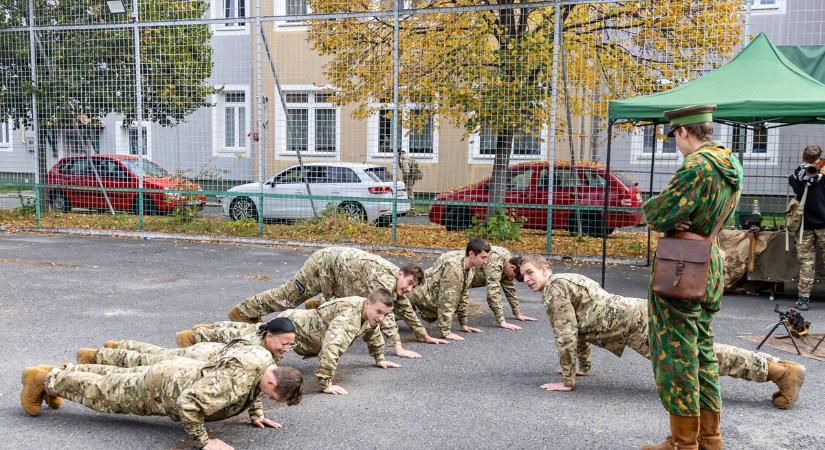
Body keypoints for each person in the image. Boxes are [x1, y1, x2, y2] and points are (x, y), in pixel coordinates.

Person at [518, 254, 806, 415]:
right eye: (523, 277)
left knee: (695, 358)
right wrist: (583, 368)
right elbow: (580, 330)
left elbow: (566, 334)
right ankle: (781, 368)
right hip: (638, 316)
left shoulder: (554, 290)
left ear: (546, 269)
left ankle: (777, 372)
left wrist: (567, 381)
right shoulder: (567, 279)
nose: (527, 279)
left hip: (635, 326)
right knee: (698, 352)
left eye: (531, 272)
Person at [642, 105, 743, 450]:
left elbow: (657, 212)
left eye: (675, 137)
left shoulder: (696, 167)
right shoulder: (731, 163)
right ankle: (710, 439)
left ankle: (683, 443)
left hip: (682, 267)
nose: (676, 144)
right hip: (709, 261)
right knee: (702, 353)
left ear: (684, 132)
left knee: (677, 357)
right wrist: (676, 216)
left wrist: (665, 216)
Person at [21, 344, 303, 450]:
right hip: (163, 389)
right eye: (274, 397)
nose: (271, 401)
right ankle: (45, 380)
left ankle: (56, 374)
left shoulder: (263, 359)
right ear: (272, 380)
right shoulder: (236, 382)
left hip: (179, 373)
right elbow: (189, 404)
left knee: (113, 380)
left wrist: (257, 415)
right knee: (105, 392)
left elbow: (252, 385)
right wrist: (205, 441)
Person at [227, 247, 446, 358]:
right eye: (408, 283)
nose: (408, 289)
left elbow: (404, 307)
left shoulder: (397, 284)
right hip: (325, 264)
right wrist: (397, 347)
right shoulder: (384, 281)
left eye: (413, 287)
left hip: (340, 278)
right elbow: (383, 316)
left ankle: (320, 303)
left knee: (337, 307)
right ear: (400, 274)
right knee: (289, 296)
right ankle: (243, 312)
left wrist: (423, 334)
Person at [78, 317, 297, 368]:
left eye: (290, 345)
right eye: (284, 344)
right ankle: (95, 356)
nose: (287, 349)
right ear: (269, 337)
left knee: (158, 353)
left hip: (207, 352)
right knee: (147, 362)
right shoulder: (254, 351)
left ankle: (118, 345)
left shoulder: (265, 344)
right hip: (200, 358)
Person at [407, 237, 491, 340]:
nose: (486, 261)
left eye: (487, 257)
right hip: (417, 297)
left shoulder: (469, 266)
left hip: (424, 295)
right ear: (471, 254)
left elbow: (463, 295)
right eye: (483, 257)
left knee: (389, 315)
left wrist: (463, 324)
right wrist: (446, 332)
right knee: (391, 312)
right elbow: (447, 301)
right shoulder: (454, 269)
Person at [788, 144, 825, 311]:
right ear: (819, 159)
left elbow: (796, 185)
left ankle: (803, 299)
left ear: (802, 156)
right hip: (821, 225)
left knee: (807, 263)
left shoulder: (796, 175)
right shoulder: (822, 173)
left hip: (805, 225)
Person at [468, 246, 537, 329]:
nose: (513, 278)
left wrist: (517, 313)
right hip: (459, 274)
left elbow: (510, 289)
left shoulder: (510, 264)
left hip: (470, 279)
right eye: (514, 276)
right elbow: (493, 292)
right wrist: (502, 321)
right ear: (513, 267)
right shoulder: (496, 260)